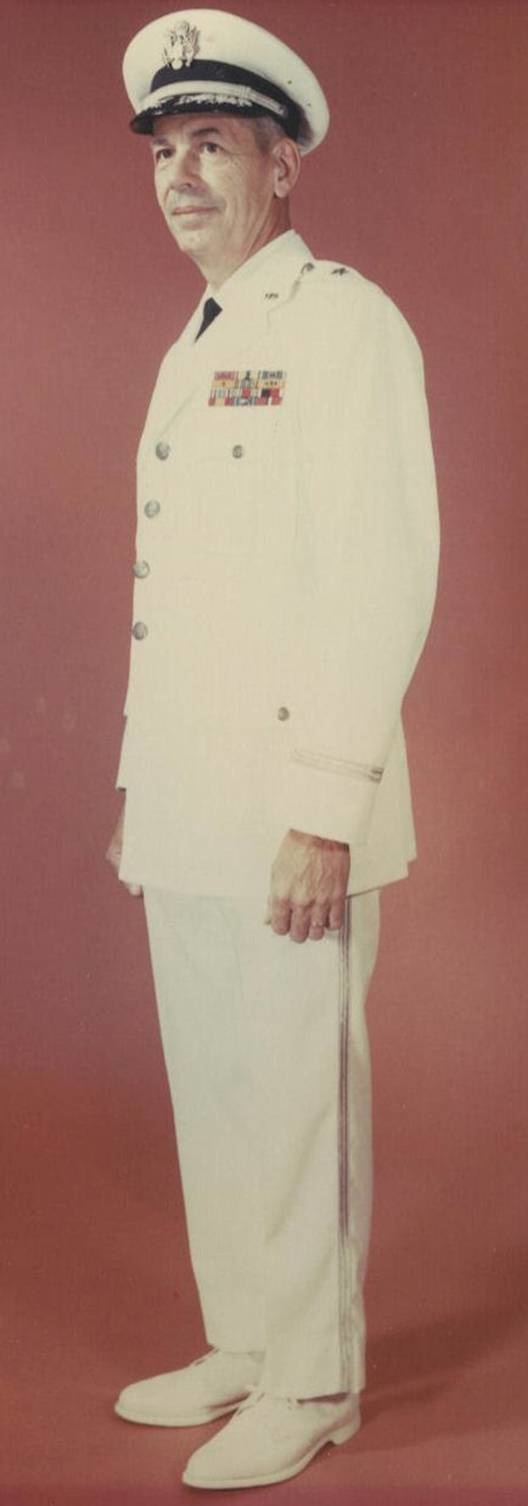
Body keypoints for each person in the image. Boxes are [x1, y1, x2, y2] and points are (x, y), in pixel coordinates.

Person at [106, 7, 439, 1490]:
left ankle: (314, 1376)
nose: (181, 176)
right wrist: (142, 789)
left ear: (283, 164)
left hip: (296, 801)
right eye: (164, 152)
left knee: (301, 1092)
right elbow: (181, 593)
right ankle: (248, 1337)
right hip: (191, 800)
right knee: (220, 1087)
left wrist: (325, 810)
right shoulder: (200, 343)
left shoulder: (343, 324)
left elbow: (381, 572)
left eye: (214, 146)